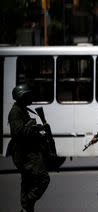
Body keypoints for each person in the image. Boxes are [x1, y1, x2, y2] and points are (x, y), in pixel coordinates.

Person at [7, 84, 50, 212]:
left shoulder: (22, 109)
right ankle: (26, 206)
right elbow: (19, 133)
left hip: (27, 152)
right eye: (28, 95)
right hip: (25, 154)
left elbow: (27, 131)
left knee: (27, 182)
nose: (30, 97)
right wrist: (33, 124)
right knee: (43, 179)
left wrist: (40, 130)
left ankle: (27, 209)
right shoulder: (15, 112)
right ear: (21, 97)